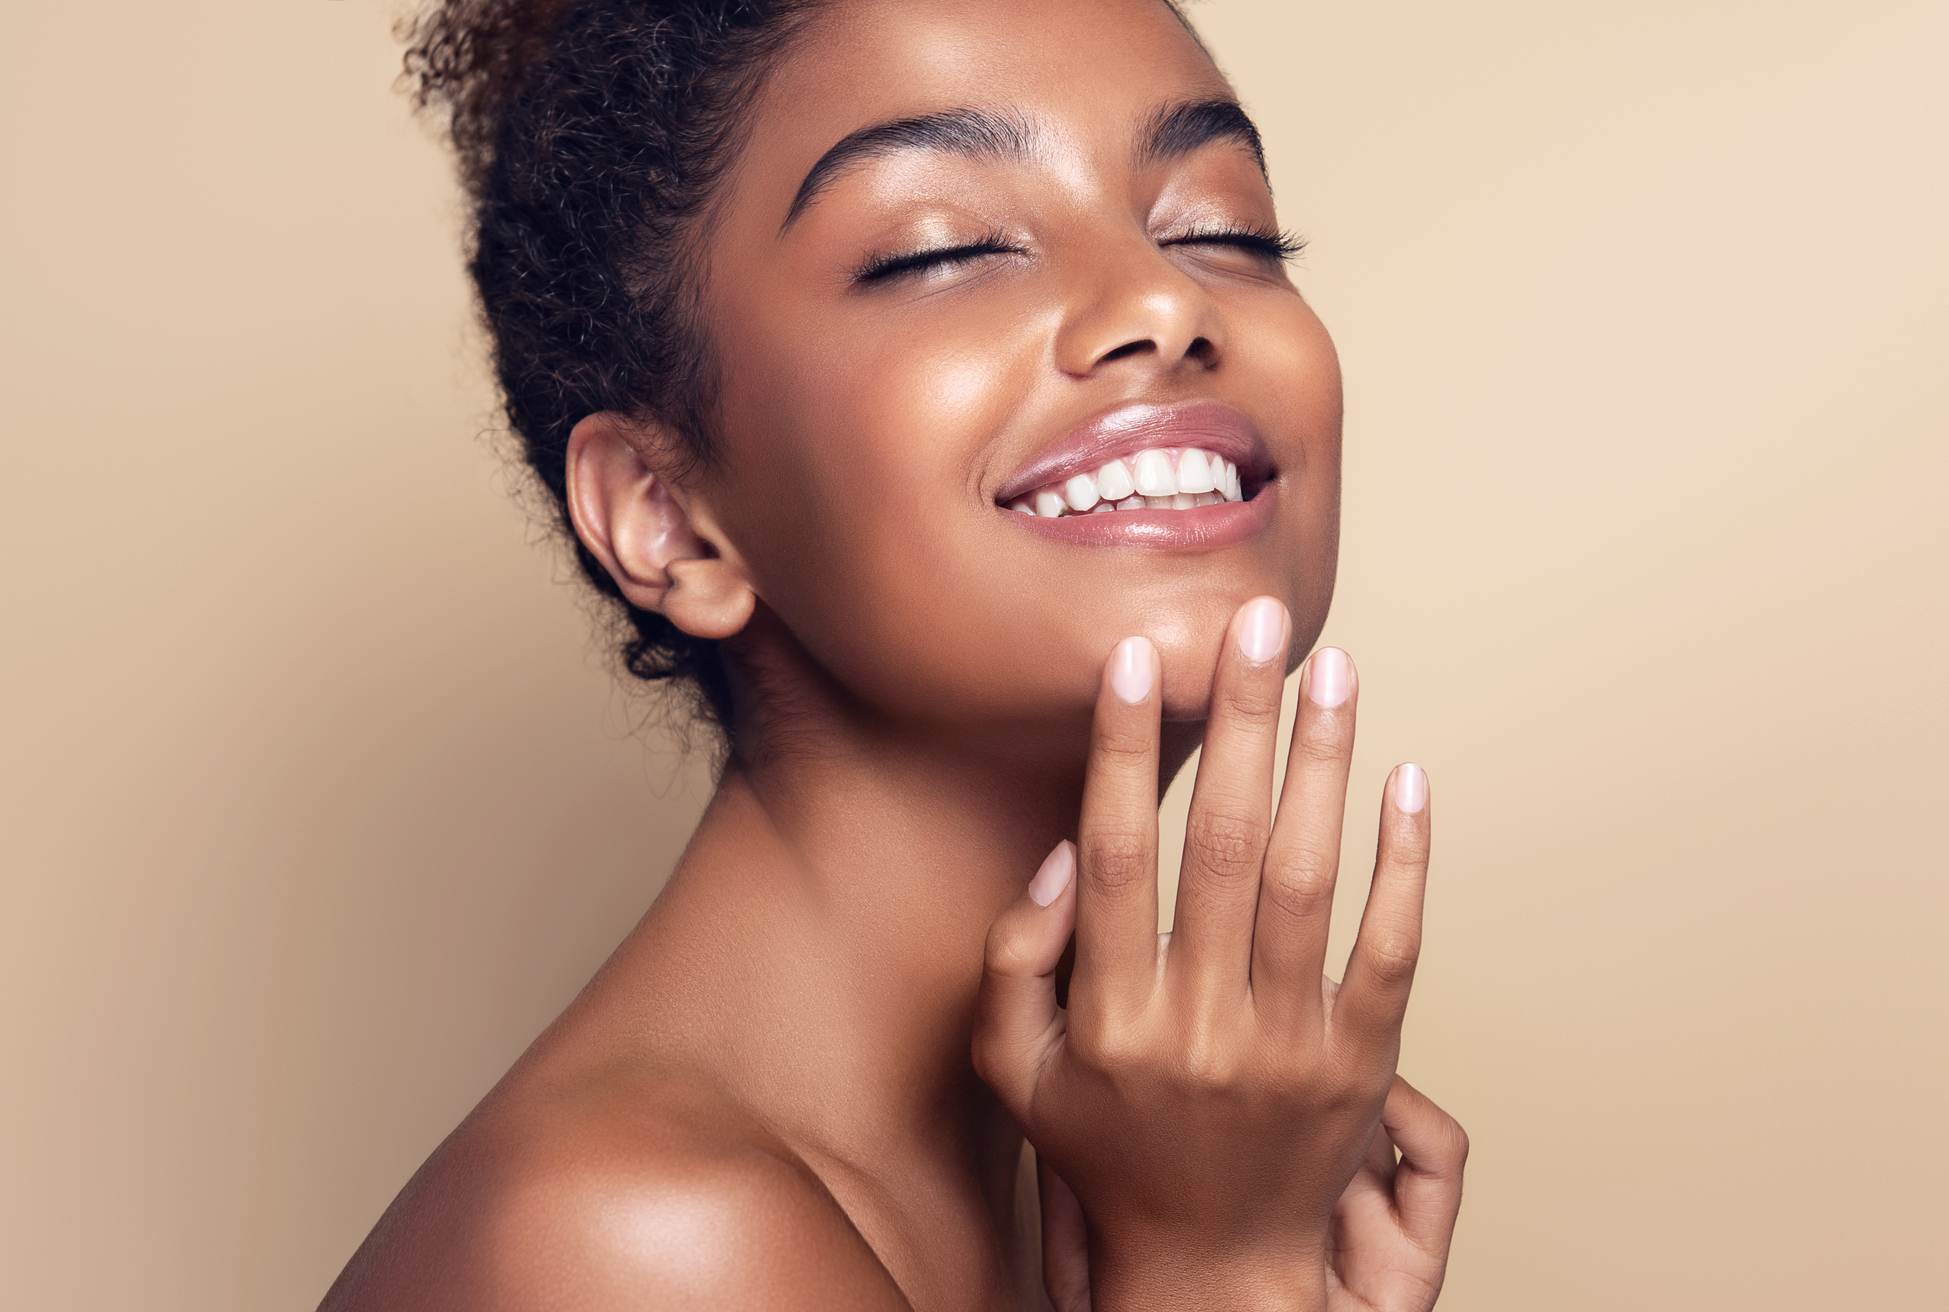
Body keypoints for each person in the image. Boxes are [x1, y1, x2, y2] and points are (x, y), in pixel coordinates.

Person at [321, 0, 1467, 1306]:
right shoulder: (642, 1249)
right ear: (666, 514)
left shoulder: (1106, 1186)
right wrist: (1219, 1274)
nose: (1162, 296)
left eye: (1221, 228)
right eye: (947, 247)